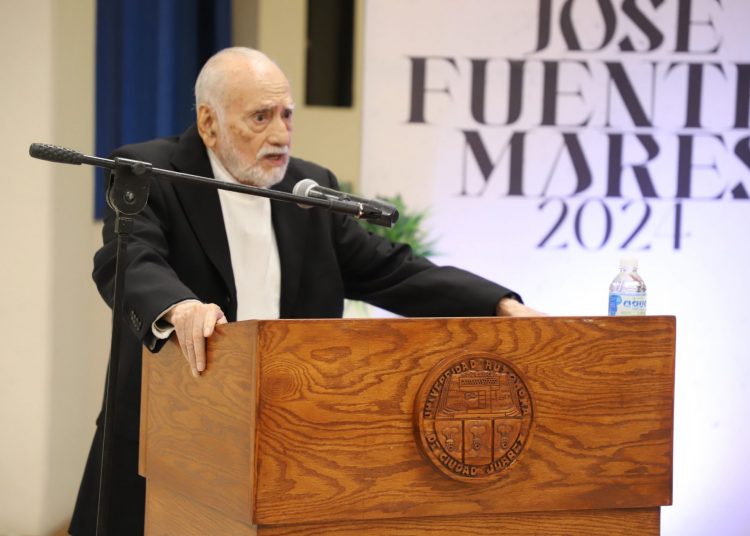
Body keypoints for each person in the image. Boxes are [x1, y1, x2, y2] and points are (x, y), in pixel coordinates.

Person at [69, 47, 542, 535]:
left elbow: (393, 270)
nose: (280, 134)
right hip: (168, 437)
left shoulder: (308, 188)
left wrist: (498, 304)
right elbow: (128, 258)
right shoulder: (151, 171)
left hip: (283, 443)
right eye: (261, 117)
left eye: (287, 115)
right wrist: (179, 306)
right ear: (209, 123)